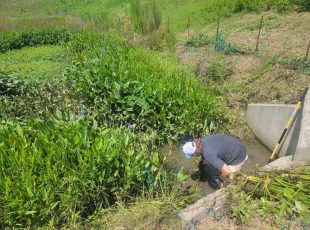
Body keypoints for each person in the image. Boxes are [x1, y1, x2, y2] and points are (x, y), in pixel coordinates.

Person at [182, 134, 248, 189]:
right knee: (211, 164)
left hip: (238, 157)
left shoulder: (208, 154)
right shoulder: (202, 141)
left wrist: (220, 178)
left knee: (228, 183)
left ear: (195, 154)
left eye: (192, 155)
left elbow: (227, 171)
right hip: (237, 145)